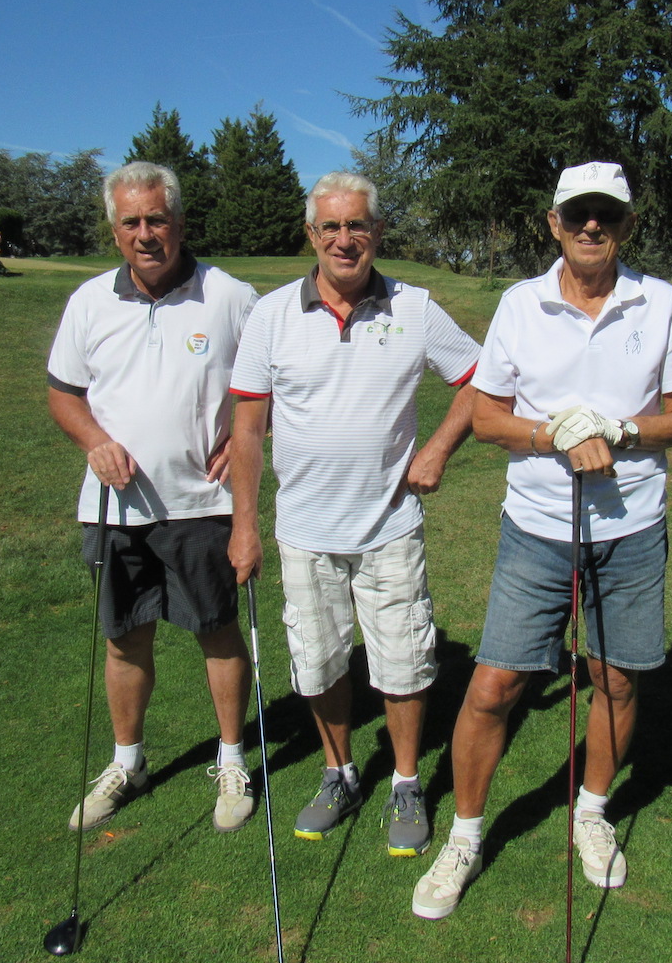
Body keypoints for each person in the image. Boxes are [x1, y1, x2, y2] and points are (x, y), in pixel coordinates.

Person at [412, 161, 672, 919]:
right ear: (553, 223)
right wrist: (554, 433)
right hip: (538, 531)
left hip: (633, 529)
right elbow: (485, 418)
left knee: (615, 680)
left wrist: (621, 428)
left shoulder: (660, 302)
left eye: (606, 214)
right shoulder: (520, 304)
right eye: (577, 212)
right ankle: (466, 837)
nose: (590, 226)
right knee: (494, 686)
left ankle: (590, 812)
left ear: (626, 225)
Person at [228, 171, 480, 858]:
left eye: (357, 225)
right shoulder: (271, 315)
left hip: (389, 526)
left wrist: (436, 450)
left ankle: (404, 781)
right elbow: (247, 427)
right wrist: (244, 524)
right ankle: (338, 773)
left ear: (377, 232)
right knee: (320, 663)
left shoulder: (416, 308)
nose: (345, 239)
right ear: (311, 234)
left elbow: (482, 380)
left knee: (402, 662)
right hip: (305, 533)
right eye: (330, 227)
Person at [47, 161, 260, 835]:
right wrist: (93, 440)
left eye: (156, 219)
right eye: (131, 222)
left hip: (202, 502)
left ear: (179, 223)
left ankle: (231, 761)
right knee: (123, 639)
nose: (145, 233)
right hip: (114, 508)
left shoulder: (229, 296)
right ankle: (127, 762)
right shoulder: (88, 302)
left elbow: (273, 382)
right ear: (115, 230)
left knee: (217, 633)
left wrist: (243, 438)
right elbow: (64, 393)